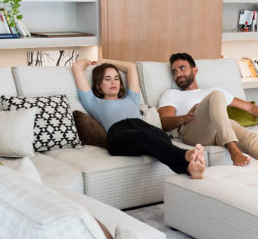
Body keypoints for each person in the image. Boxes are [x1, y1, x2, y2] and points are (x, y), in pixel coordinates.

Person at [156, 52, 258, 169]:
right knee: (216, 96)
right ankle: (234, 151)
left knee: (243, 133)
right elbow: (164, 123)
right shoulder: (172, 94)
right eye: (174, 72)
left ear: (195, 70)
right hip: (192, 130)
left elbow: (250, 108)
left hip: (218, 130)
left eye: (182, 68)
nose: (178, 74)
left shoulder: (212, 90)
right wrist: (184, 118)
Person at [72, 58, 205, 178]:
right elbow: (77, 67)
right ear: (99, 85)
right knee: (146, 135)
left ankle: (190, 169)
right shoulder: (93, 102)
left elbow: (130, 67)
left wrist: (104, 60)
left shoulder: (132, 98)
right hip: (118, 135)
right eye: (107, 79)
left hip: (143, 128)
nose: (113, 82)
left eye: (116, 78)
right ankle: (186, 154)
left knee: (159, 135)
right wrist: (91, 62)